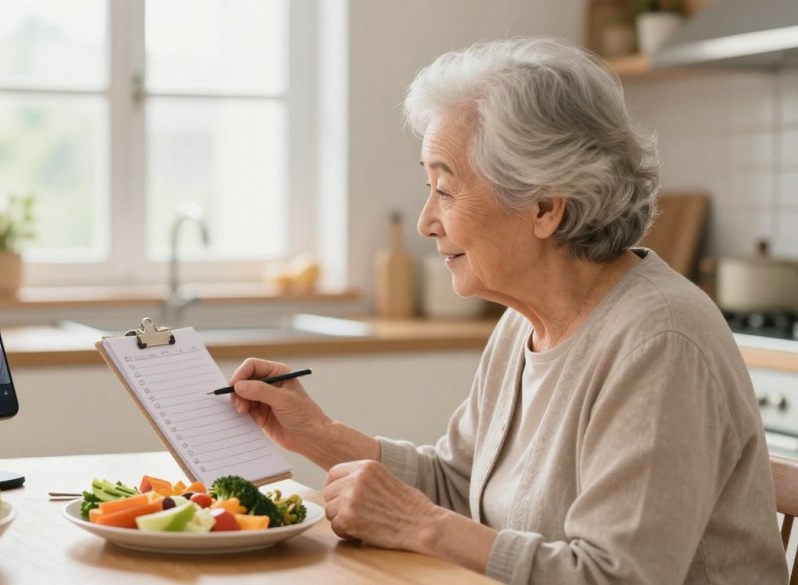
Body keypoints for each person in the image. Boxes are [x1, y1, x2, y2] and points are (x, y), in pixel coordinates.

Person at [229, 38, 787, 584]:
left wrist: (420, 525)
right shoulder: (524, 322)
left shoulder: (659, 340)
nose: (427, 221)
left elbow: (615, 577)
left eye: (445, 190)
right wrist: (318, 434)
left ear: (544, 208)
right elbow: (458, 484)